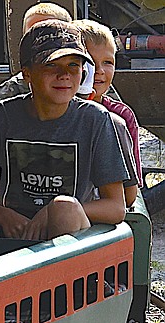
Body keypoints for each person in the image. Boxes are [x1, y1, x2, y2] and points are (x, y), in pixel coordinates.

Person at [0, 21, 128, 240]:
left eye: (73, 66)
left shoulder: (96, 120)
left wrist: (50, 212)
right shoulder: (0, 116)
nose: (64, 75)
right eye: (51, 65)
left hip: (68, 236)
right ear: (27, 74)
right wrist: (3, 215)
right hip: (13, 231)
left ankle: (59, 274)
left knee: (63, 207)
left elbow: (116, 207)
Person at [75, 18, 143, 192]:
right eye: (89, 62)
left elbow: (130, 193)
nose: (100, 71)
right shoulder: (51, 112)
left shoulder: (121, 117)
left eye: (108, 62)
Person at [0, 3, 73, 102]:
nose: (39, 41)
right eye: (33, 35)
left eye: (47, 35)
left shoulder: (77, 81)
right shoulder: (13, 89)